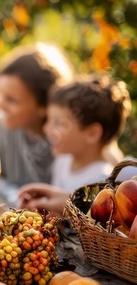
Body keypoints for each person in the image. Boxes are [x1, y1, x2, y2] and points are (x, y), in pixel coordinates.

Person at [18, 74, 133, 215]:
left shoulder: (103, 179)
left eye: (59, 123)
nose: (46, 129)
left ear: (92, 133)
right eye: (49, 120)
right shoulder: (63, 161)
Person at [0, 42, 74, 206]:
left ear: (44, 106)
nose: (0, 105)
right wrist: (17, 197)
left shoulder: (69, 138)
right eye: (0, 94)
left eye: (11, 100)